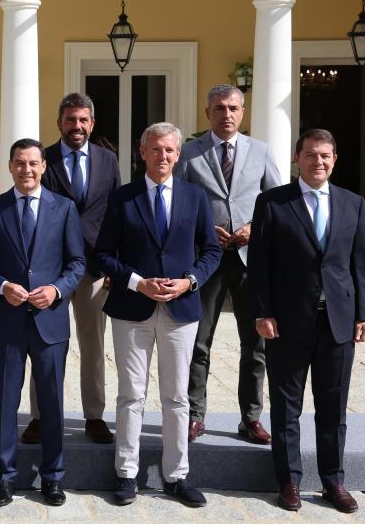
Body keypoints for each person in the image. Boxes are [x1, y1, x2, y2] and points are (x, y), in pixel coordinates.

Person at [94, 122, 221, 508]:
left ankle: (177, 475)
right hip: (131, 310)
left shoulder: (195, 196)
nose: (162, 156)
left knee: (176, 396)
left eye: (169, 150)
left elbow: (211, 250)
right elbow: (103, 254)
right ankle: (126, 473)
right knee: (131, 394)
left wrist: (189, 282)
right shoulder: (123, 198)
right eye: (155, 149)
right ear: (142, 152)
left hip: (181, 310)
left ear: (177, 155)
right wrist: (137, 282)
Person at [248, 129, 365, 514]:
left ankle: (333, 480)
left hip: (338, 321)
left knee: (333, 406)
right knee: (286, 405)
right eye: (310, 155)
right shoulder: (272, 202)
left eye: (325, 155)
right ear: (297, 158)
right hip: (286, 322)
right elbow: (259, 264)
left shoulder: (352, 203)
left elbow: (361, 263)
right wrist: (262, 312)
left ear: (334, 160)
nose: (318, 161)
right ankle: (289, 481)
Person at [0, 138, 85, 507]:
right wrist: (2, 286)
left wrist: (57, 289)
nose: (27, 170)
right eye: (20, 163)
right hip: (8, 321)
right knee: (5, 402)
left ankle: (52, 477)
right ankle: (4, 476)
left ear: (44, 166)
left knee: (51, 402)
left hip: (50, 321)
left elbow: (77, 263)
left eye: (33, 163)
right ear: (10, 167)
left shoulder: (64, 208)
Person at [178, 84, 282, 445]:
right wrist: (203, 228)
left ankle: (251, 418)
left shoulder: (261, 151)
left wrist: (255, 226)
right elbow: (177, 203)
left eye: (233, 108)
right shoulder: (189, 153)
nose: (227, 114)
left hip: (250, 261)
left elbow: (276, 202)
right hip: (205, 260)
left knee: (254, 344)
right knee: (198, 342)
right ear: (208, 112)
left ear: (243, 112)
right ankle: (194, 415)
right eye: (220, 108)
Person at [22, 93, 120, 446]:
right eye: (70, 119)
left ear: (92, 123)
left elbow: (116, 212)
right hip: (51, 269)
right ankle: (40, 416)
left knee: (93, 345)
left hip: (94, 268)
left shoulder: (108, 160)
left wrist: (115, 263)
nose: (76, 126)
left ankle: (94, 416)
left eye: (82, 120)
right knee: (46, 345)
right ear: (59, 123)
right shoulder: (43, 159)